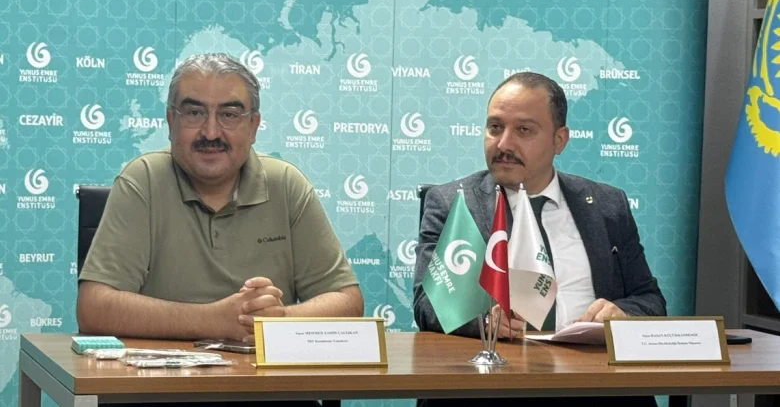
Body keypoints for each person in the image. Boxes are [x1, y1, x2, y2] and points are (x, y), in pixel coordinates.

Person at [77, 54, 362, 406]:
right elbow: (94, 308)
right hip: (159, 395)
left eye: (229, 115)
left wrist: (278, 319)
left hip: (269, 396)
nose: (211, 132)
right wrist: (214, 320)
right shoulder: (143, 181)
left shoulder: (286, 185)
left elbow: (347, 302)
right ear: (171, 121)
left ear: (253, 125)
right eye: (194, 113)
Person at [413, 72, 665, 407]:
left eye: (524, 130)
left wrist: (621, 314)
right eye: (495, 127)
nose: (504, 144)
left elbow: (650, 300)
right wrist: (484, 321)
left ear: (559, 140)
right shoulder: (454, 203)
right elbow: (428, 306)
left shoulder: (608, 205)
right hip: (493, 389)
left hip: (594, 385)